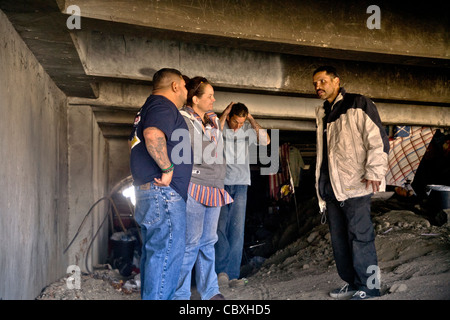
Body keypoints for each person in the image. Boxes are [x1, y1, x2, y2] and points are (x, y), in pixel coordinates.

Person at [312, 66, 389, 300]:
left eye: (323, 81)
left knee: (361, 237)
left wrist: (375, 171)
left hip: (356, 184)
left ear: (336, 81)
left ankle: (371, 288)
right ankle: (353, 283)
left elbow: (377, 139)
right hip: (331, 187)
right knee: (340, 240)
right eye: (315, 83)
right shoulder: (322, 112)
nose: (318, 86)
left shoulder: (358, 103)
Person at [128, 68, 193, 300]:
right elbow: (153, 134)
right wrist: (167, 169)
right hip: (164, 194)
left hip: (151, 193)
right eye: (185, 86)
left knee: (155, 255)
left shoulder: (146, 108)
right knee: (166, 255)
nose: (186, 92)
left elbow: (134, 144)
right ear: (176, 86)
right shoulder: (162, 105)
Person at [174, 76, 233, 300]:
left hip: (214, 186)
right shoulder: (182, 118)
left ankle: (210, 291)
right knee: (191, 243)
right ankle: (180, 295)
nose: (213, 99)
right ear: (195, 98)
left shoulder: (211, 120)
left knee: (208, 242)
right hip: (194, 186)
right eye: (209, 96)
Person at [215, 102, 270, 287]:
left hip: (240, 184)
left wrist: (251, 120)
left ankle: (232, 275)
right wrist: (224, 113)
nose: (238, 125)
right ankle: (220, 273)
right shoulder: (221, 126)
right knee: (219, 229)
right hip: (220, 184)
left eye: (242, 122)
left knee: (237, 231)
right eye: (235, 121)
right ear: (229, 116)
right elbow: (212, 132)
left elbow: (266, 141)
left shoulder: (247, 128)